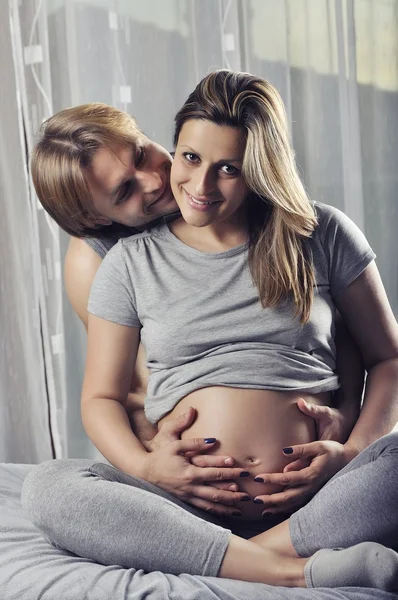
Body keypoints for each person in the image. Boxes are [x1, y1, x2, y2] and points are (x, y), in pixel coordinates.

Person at [24, 70, 398, 591]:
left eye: (227, 168)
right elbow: (107, 398)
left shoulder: (322, 232)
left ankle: (230, 556)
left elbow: (387, 358)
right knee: (49, 487)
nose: (178, 184)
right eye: (191, 159)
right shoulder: (125, 263)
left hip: (316, 497)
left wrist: (351, 453)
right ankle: (291, 570)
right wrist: (151, 468)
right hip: (185, 501)